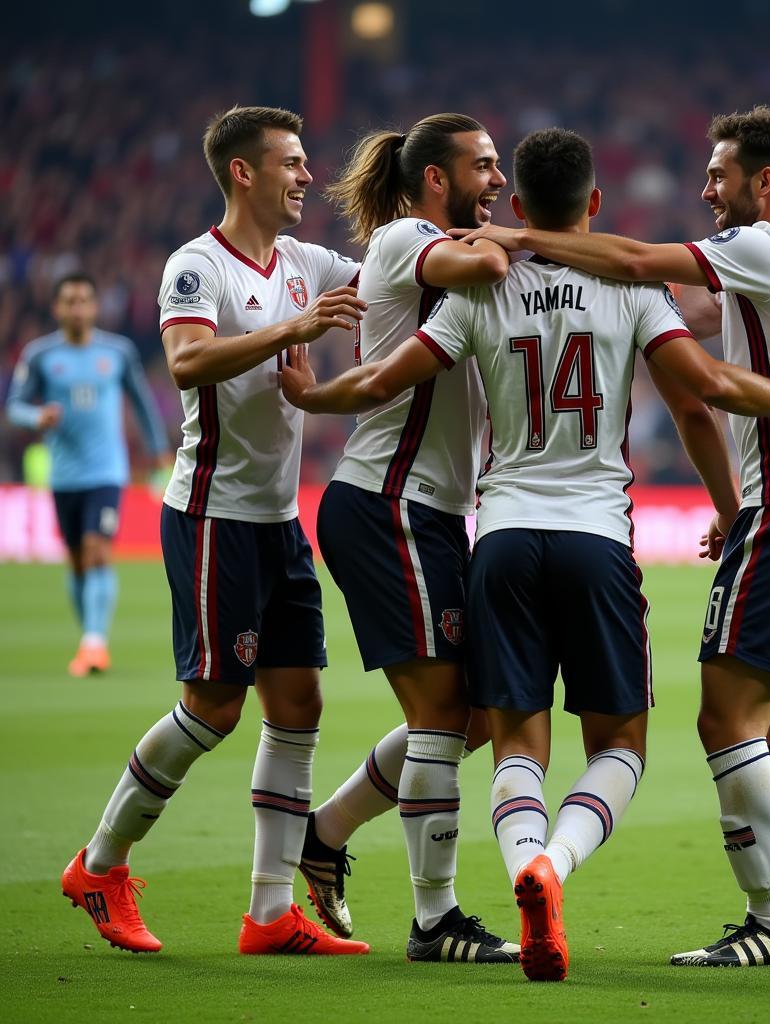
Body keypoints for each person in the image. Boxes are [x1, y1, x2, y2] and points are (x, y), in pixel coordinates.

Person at [280, 126, 770, 981]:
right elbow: (706, 390)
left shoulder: (482, 290)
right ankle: (552, 868)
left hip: (499, 535)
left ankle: (512, 866)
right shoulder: (634, 291)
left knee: (508, 740)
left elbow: (384, 379)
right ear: (593, 204)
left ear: (516, 210)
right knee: (619, 745)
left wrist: (310, 392)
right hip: (593, 536)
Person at [456, 106, 770, 965]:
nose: (706, 189)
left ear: (764, 183)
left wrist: (517, 237)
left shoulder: (763, 247)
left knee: (725, 723)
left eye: (720, 174)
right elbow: (686, 320)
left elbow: (629, 261)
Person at [60, 105, 372, 956]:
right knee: (213, 706)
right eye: (294, 162)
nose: (308, 176)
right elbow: (188, 361)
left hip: (278, 519)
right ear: (245, 171)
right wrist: (291, 330)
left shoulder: (307, 260)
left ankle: (270, 912)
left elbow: (390, 271)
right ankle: (100, 861)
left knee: (299, 700)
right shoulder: (196, 266)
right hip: (210, 515)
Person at [295, 113, 519, 963]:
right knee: (439, 716)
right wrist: (527, 232)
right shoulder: (405, 237)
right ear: (436, 177)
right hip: (388, 502)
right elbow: (491, 259)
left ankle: (325, 834)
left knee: (481, 714)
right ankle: (435, 921)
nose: (495, 181)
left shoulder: (428, 233)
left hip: (424, 509)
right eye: (484, 165)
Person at [6, 273, 172, 676]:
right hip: (63, 475)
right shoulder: (41, 355)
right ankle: (90, 635)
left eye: (84, 300)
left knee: (98, 551)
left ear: (95, 307)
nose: (77, 308)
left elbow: (142, 402)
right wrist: (36, 416)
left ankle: (95, 644)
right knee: (79, 561)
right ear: (57, 308)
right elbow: (14, 406)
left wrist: (156, 449)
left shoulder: (116, 352)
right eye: (70, 301)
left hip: (106, 472)